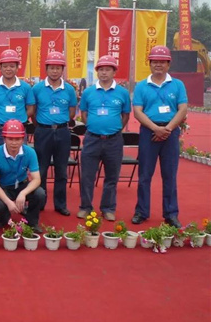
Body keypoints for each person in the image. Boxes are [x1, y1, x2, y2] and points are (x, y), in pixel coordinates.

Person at [131, 46, 187, 228]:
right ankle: (141, 211)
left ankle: (171, 213)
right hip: (149, 132)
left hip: (170, 132)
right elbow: (137, 111)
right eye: (155, 61)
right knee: (144, 175)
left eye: (162, 62)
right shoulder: (141, 86)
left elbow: (182, 109)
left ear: (168, 64)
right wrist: (155, 128)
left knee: (169, 175)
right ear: (150, 63)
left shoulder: (177, 85)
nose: (158, 65)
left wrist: (167, 129)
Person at [77, 55, 131, 221]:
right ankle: (85, 207)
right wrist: (93, 126)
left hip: (114, 140)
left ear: (114, 72)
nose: (104, 73)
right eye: (101, 69)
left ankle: (108, 208)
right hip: (92, 139)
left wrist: (115, 128)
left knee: (112, 177)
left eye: (108, 69)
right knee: (87, 175)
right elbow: (84, 113)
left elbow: (125, 115)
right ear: (97, 72)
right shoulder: (88, 92)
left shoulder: (122, 93)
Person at [32, 51, 77, 216]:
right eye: (51, 68)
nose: (55, 71)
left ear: (62, 70)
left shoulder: (69, 89)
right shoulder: (37, 88)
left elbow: (72, 112)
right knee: (41, 169)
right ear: (46, 69)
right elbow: (33, 111)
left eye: (58, 68)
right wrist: (43, 125)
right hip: (43, 131)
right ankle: (40, 202)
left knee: (61, 170)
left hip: (63, 132)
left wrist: (59, 123)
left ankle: (60, 204)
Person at [0, 120, 44, 232]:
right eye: (10, 139)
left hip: (22, 184)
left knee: (40, 193)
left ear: (23, 139)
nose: (14, 143)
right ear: (4, 139)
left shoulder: (30, 152)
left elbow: (37, 179)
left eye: (18, 139)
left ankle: (32, 222)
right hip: (4, 187)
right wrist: (8, 202)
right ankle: (3, 218)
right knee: (0, 204)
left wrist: (23, 193)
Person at [0, 49, 35, 151]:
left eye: (12, 66)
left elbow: (31, 108)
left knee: (20, 158)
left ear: (17, 68)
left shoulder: (25, 87)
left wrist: (20, 119)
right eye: (5, 66)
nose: (8, 69)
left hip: (19, 130)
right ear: (0, 68)